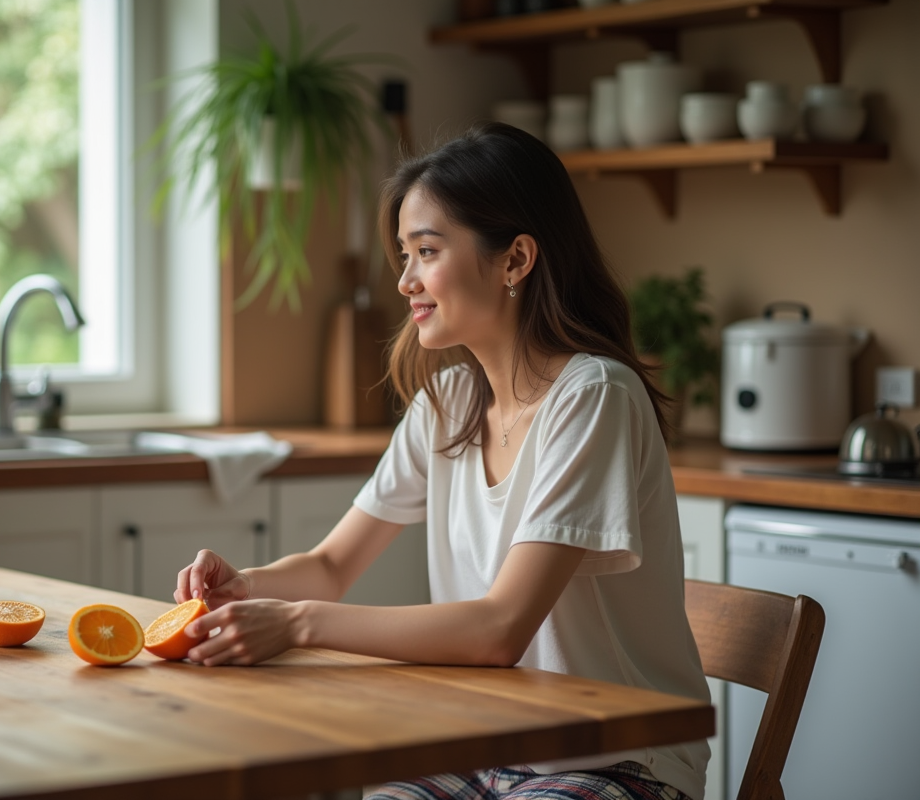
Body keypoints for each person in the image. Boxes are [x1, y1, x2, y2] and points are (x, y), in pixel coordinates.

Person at [173, 122, 710, 800]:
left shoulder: (594, 396)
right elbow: (334, 565)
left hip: (616, 757)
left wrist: (297, 621)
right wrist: (246, 587)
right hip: (480, 740)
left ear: (515, 260)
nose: (404, 282)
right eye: (404, 254)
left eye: (426, 251)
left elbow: (498, 630)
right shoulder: (448, 401)